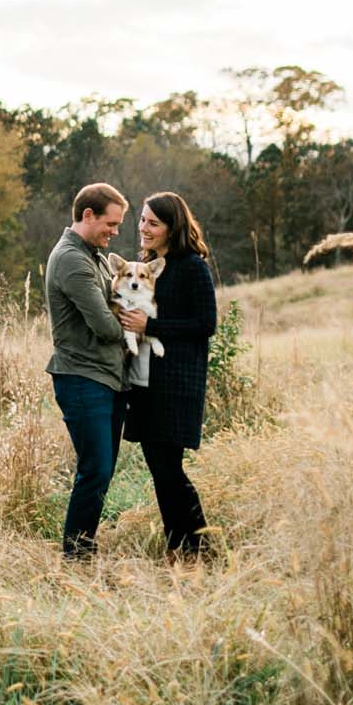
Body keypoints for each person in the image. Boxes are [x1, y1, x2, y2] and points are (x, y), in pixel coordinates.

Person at [120, 191, 219, 562]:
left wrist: (153, 325)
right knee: (160, 472)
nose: (144, 228)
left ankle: (197, 545)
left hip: (175, 384)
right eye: (142, 220)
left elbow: (205, 324)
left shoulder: (192, 266)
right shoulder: (146, 264)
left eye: (153, 223)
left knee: (169, 470)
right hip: (145, 383)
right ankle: (179, 547)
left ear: (171, 227)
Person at [44, 182, 129, 559]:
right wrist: (136, 324)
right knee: (94, 470)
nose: (115, 232)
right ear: (88, 215)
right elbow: (105, 326)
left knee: (102, 470)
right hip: (82, 378)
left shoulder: (92, 254)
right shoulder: (72, 260)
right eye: (111, 224)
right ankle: (76, 556)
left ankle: (83, 546)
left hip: (104, 378)